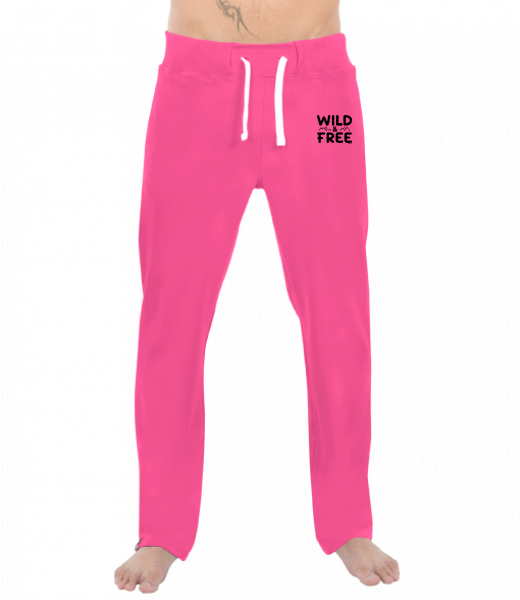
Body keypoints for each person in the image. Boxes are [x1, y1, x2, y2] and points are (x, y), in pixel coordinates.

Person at [114, 0, 400, 593]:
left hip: (322, 98)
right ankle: (161, 528)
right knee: (172, 315)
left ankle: (348, 521)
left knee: (339, 312)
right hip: (195, 89)